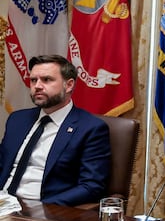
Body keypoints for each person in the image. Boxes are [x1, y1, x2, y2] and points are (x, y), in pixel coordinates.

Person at [0, 55, 110, 206]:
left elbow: (91, 186)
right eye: (33, 80)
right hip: (4, 203)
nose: (37, 86)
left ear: (69, 85)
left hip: (42, 209)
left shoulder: (90, 128)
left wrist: (43, 208)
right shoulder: (17, 120)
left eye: (46, 80)